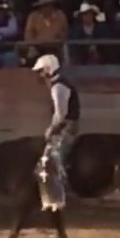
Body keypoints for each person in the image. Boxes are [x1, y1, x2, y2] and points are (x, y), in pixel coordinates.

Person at [31, 54, 80, 213]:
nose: (40, 75)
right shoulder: (59, 84)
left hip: (65, 127)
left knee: (51, 161)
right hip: (67, 126)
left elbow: (60, 114)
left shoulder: (58, 86)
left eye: (41, 71)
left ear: (48, 69)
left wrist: (51, 130)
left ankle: (57, 199)